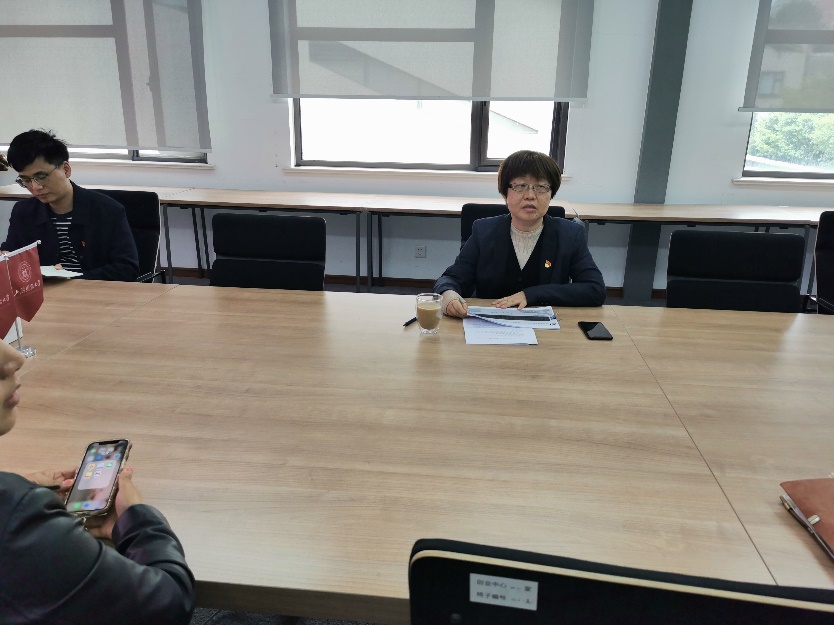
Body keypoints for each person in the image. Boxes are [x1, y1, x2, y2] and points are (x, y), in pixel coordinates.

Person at [0, 340, 195, 624]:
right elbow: (168, 604)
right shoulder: (15, 517)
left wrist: (19, 491)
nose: (16, 358)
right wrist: (139, 523)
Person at [434, 150, 606, 317]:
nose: (530, 195)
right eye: (520, 186)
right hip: (490, 324)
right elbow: (452, 278)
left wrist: (531, 295)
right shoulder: (484, 231)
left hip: (547, 328)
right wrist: (448, 295)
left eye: (541, 187)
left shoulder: (570, 234)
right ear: (505, 193)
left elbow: (595, 289)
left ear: (551, 194)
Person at [1, 129, 139, 282]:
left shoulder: (107, 210)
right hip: (43, 293)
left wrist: (73, 279)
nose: (35, 187)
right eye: (26, 180)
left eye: (41, 176)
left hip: (93, 293)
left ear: (66, 169)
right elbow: (11, 253)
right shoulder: (23, 212)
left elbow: (127, 269)